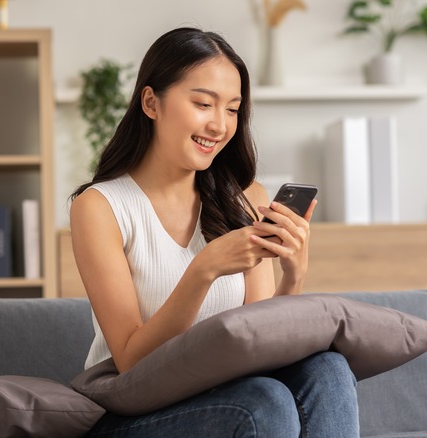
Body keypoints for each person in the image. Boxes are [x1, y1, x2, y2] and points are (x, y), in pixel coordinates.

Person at [69, 27, 359, 438]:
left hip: (229, 396)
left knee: (327, 367)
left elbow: (260, 344)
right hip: (133, 413)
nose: (220, 125)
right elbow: (132, 361)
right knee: (265, 403)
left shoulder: (243, 198)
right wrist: (203, 270)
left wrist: (293, 275)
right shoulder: (100, 208)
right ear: (152, 102)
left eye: (232, 109)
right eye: (204, 103)